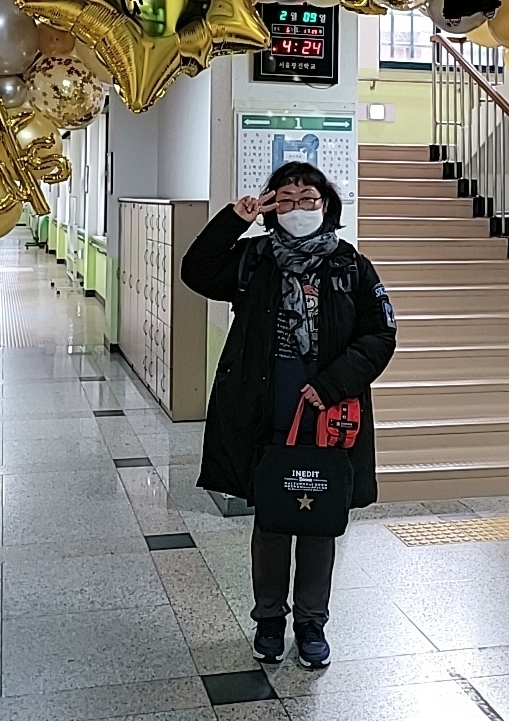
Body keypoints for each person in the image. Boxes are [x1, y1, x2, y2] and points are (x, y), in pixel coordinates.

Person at [181, 162, 396, 670]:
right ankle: (269, 622)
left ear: (326, 204)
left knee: (320, 523)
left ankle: (312, 624)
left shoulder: (351, 266)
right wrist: (235, 220)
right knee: (273, 523)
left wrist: (331, 384)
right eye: (287, 199)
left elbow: (380, 334)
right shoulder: (255, 259)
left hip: (328, 419)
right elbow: (197, 271)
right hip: (265, 415)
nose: (298, 209)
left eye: (308, 199)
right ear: (272, 207)